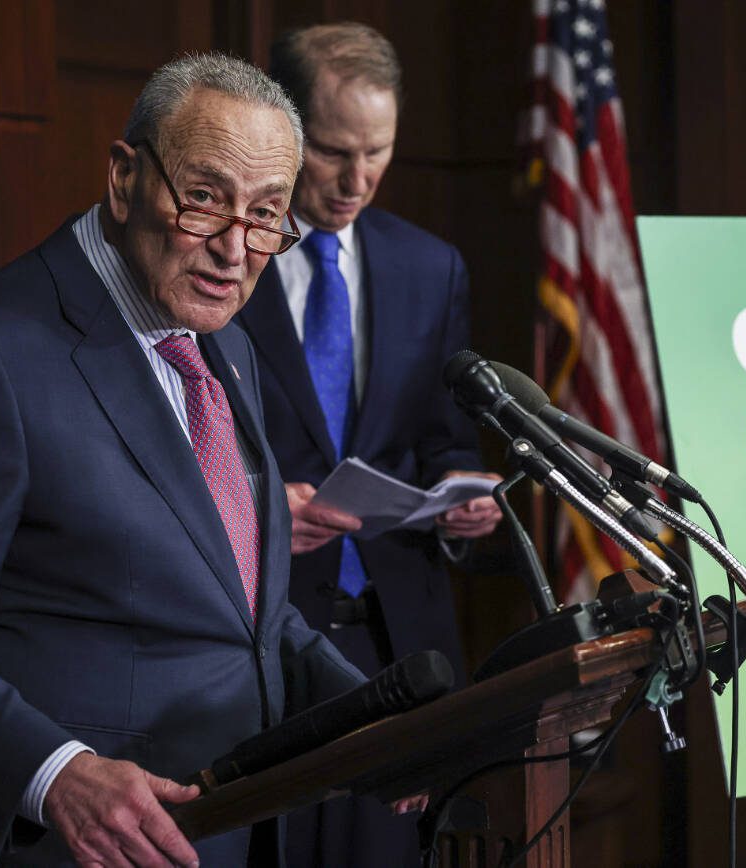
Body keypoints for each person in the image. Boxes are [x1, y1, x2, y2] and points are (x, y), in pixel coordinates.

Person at [0, 52, 372, 866]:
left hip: (231, 831)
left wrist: (385, 717)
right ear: (123, 180)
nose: (234, 249)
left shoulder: (226, 347)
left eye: (266, 216)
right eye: (205, 200)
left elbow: (247, 615)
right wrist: (57, 773)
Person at [234, 22, 503, 866]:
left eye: (377, 153)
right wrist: (256, 511)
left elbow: (439, 444)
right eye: (334, 152)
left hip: (396, 644)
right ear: (283, 128)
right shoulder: (223, 260)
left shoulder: (431, 267)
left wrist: (461, 498)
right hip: (258, 640)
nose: (357, 180)